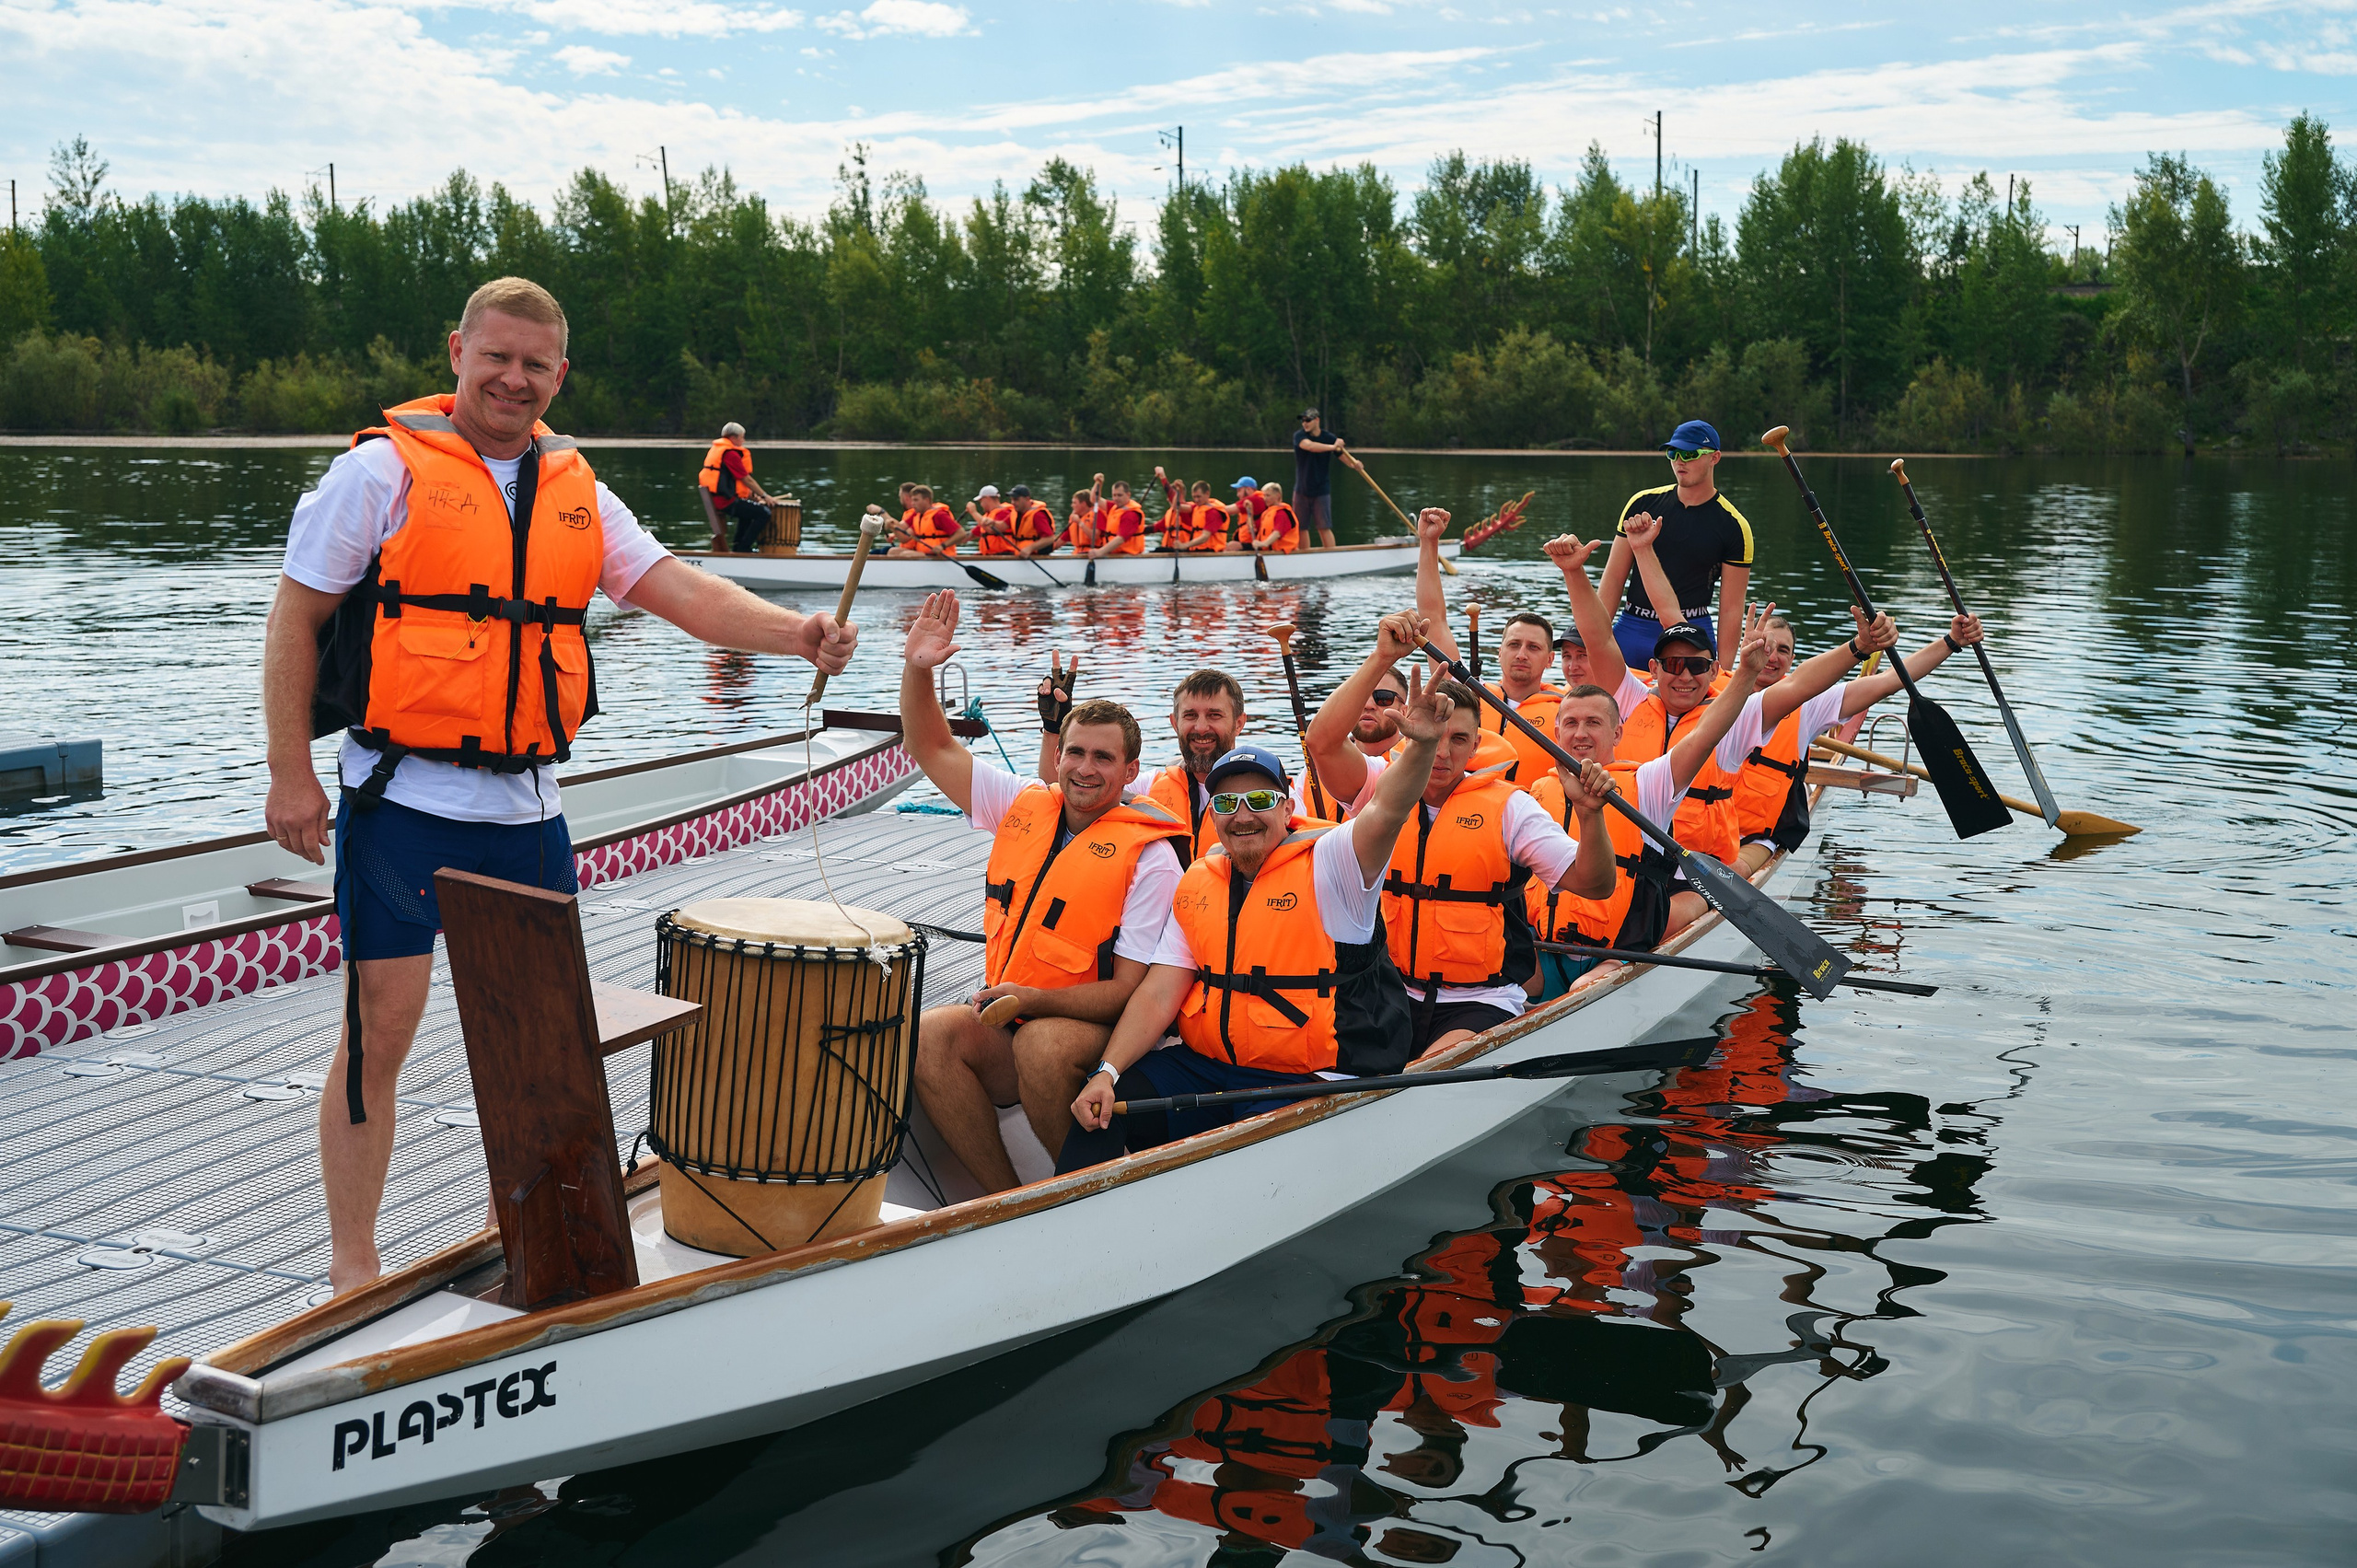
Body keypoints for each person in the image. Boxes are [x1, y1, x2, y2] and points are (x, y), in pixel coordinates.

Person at [261, 276, 857, 1293]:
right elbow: (295, 619)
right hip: (400, 801)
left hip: (525, 811)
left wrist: (793, 632)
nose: (514, 378)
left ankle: (537, 1247)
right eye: (496, 356)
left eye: (536, 364)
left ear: (560, 373)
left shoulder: (577, 484)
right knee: (379, 1031)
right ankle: (353, 1264)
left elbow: (682, 590)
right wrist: (291, 775)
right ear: (457, 350)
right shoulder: (377, 473)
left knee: (541, 1049)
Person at [1061, 659, 1456, 1165]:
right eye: (1226, 805)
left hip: (1311, 1078)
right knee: (1106, 1109)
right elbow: (1162, 989)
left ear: (1287, 804)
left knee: (1256, 1150)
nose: (1242, 816)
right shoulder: (1200, 880)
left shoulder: (1334, 863)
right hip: (1213, 1067)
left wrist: (1421, 746)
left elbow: (1388, 810)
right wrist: (1107, 1072)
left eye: (1260, 799)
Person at [896, 590, 1188, 1192]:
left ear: (1131, 771)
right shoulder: (1023, 804)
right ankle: (1006, 1200)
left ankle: (1083, 1189)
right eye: (1075, 751)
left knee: (1042, 1047)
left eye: (1103, 757)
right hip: (1016, 1011)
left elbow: (1126, 992)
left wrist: (1031, 997)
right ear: (1058, 758)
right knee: (927, 1036)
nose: (1084, 767)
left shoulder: (1153, 858)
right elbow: (931, 745)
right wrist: (918, 669)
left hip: (1095, 1031)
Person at [1305, 600, 1619, 1057]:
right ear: (1413, 731)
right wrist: (1381, 659)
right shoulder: (1378, 785)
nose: (1443, 753)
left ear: (1476, 745)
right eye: (1433, 735)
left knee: (1429, 1066)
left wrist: (1590, 814)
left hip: (1478, 999)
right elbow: (1321, 742)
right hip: (1386, 989)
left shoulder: (1510, 808)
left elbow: (1594, 883)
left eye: (1458, 740)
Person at [1551, 525, 1898, 933]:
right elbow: (1599, 638)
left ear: (1714, 671)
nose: (1684, 675)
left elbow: (1801, 686)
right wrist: (1574, 573)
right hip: (1624, 858)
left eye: (1697, 666)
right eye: (1673, 665)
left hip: (1696, 866)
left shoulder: (1732, 716)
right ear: (1654, 669)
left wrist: (1860, 648)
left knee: (1652, 924)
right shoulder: (1628, 700)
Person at [1525, 622, 1770, 995]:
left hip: (1615, 951)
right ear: (1556, 733)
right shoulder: (1537, 793)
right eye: (1571, 723)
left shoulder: (1648, 784)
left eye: (1594, 722)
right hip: (1543, 943)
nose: (1581, 734)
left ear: (1617, 734)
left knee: (1583, 988)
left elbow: (1706, 735)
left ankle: (1701, 901)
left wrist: (1747, 674)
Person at [1730, 611, 1989, 872]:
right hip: (1702, 826)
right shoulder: (1707, 686)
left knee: (1731, 869)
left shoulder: (1808, 706)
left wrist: (1952, 640)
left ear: (1792, 661)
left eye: (1783, 651)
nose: (1772, 657)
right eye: (1765, 645)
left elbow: (1887, 682)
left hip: (1752, 838)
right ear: (1747, 644)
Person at [1412, 509, 1560, 787]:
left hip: (1534, 815)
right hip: (1472, 815)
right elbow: (1434, 619)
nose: (1521, 654)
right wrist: (1428, 543)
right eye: (1514, 645)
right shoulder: (1468, 697)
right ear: (1499, 652)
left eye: (1534, 647)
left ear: (1551, 659)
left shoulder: (1567, 712)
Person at [1595, 420, 1755, 671]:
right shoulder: (1641, 503)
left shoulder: (1734, 525)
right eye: (1673, 453)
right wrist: (1591, 642)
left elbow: (1732, 610)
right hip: (1632, 628)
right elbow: (1613, 579)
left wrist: (1723, 670)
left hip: (1692, 633)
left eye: (1690, 454)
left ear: (1715, 458)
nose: (1680, 461)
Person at [696, 421, 781, 553]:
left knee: (748, 511)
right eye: (742, 437)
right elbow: (746, 479)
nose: (743, 440)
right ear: (733, 438)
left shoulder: (718, 450)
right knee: (763, 513)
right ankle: (744, 548)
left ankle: (738, 547)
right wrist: (765, 496)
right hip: (725, 502)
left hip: (720, 499)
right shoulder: (731, 454)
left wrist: (752, 496)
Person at [1292, 408, 1344, 548]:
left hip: (1321, 490)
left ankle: (1331, 556)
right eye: (1303, 421)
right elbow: (1309, 446)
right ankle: (1304, 556)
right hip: (1301, 490)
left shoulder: (1329, 437)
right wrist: (1333, 447)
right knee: (1301, 527)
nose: (1305, 423)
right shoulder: (1299, 436)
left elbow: (1343, 456)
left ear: (1317, 420)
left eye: (1308, 420)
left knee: (1323, 527)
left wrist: (1355, 464)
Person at [882, 483, 964, 558]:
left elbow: (961, 533)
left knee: (906, 555)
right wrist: (893, 527)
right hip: (925, 553)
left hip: (941, 555)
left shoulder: (939, 515)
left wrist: (942, 546)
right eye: (912, 500)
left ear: (927, 500)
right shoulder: (918, 516)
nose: (913, 503)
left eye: (916, 500)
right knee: (893, 551)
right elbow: (904, 539)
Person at [1084, 478, 1148, 558]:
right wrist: (1099, 482)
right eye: (1114, 495)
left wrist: (1100, 552)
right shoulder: (1114, 507)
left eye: (1119, 495)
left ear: (1128, 495)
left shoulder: (1131, 514)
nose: (1116, 498)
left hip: (1128, 556)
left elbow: (1120, 539)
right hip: (1115, 554)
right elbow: (1094, 499)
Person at [1240, 480, 1302, 552]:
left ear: (1278, 495)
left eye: (1268, 495)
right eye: (1264, 495)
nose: (1265, 498)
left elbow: (1277, 533)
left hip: (1281, 552)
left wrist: (1264, 544)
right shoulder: (1267, 512)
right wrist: (1250, 511)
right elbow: (1253, 529)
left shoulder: (1282, 513)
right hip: (1267, 550)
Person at [964, 484, 1018, 556]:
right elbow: (971, 535)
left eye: (981, 501)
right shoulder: (987, 516)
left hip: (1004, 555)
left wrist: (974, 512)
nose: (981, 504)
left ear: (987, 498)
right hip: (991, 555)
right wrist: (951, 536)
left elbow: (991, 529)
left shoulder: (1004, 513)